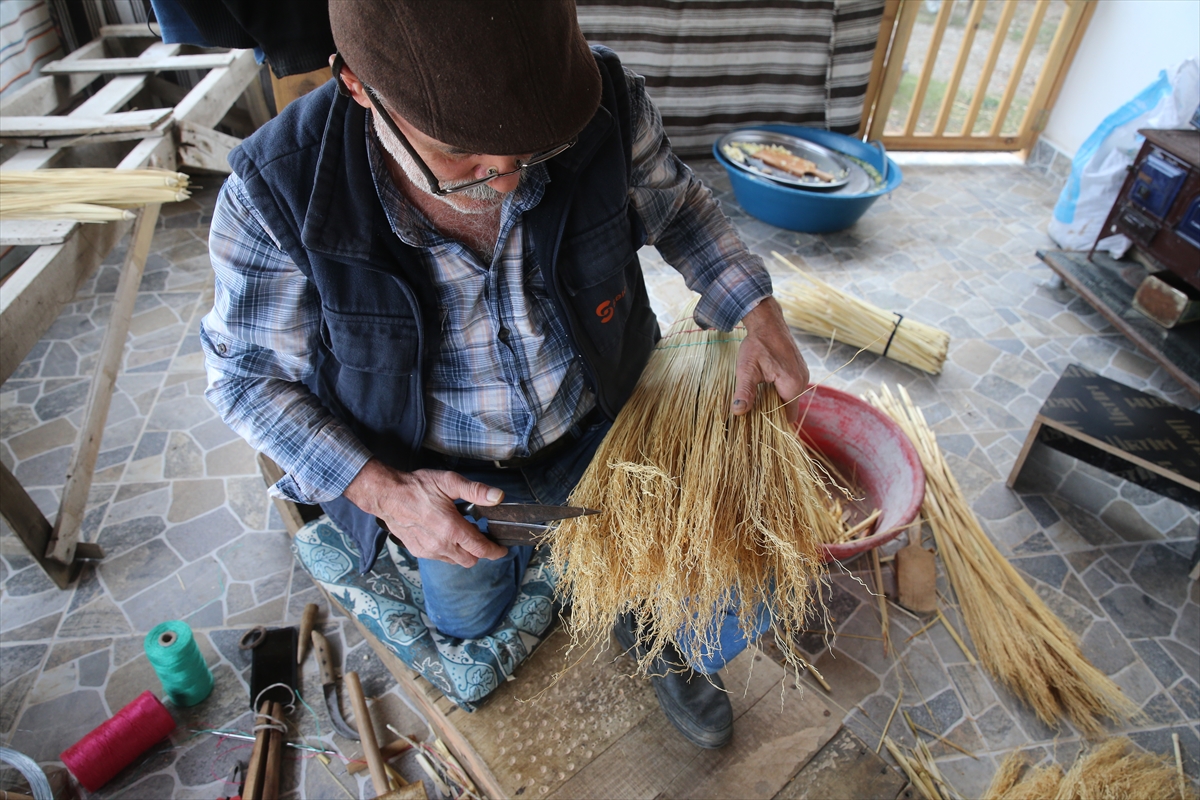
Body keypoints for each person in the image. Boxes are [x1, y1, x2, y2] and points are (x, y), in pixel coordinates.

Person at [200, 0, 808, 749]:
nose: (511, 177)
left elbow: (676, 210)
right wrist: (388, 494)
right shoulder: (276, 192)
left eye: (529, 144)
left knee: (658, 570)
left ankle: (651, 634)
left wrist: (755, 308)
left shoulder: (600, 101)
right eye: (465, 153)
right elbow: (247, 379)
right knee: (472, 621)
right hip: (443, 483)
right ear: (359, 87)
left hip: (605, 425)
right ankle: (508, 598)